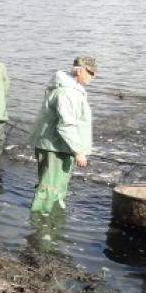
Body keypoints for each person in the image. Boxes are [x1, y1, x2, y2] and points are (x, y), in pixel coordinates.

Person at [28, 55, 95, 213]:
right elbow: (65, 125)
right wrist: (78, 151)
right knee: (49, 187)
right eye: (90, 72)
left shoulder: (72, 90)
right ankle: (41, 224)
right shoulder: (67, 93)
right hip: (55, 147)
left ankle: (52, 221)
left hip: (60, 145)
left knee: (57, 186)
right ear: (79, 71)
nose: (93, 76)